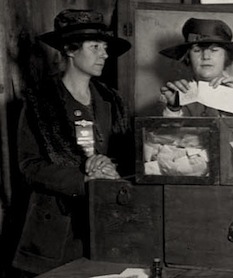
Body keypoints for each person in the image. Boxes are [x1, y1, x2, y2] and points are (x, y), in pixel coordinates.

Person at [12, 9, 132, 275]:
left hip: (107, 221)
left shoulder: (111, 99)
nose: (105, 54)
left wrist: (107, 167)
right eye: (95, 47)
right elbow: (28, 165)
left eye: (105, 47)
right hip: (57, 227)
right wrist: (83, 180)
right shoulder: (40, 101)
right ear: (70, 49)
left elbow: (126, 154)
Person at [159, 18, 233, 117]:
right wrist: (173, 109)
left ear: (226, 57)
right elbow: (161, 134)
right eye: (197, 50)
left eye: (214, 50)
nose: (206, 56)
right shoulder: (171, 96)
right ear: (188, 58)